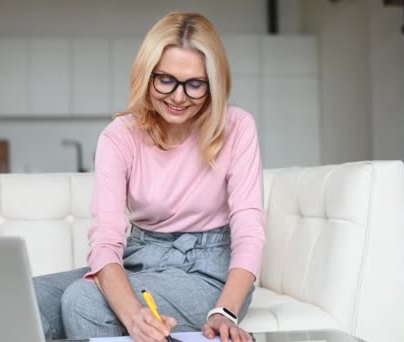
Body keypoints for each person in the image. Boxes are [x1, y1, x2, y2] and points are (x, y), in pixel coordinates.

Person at [34, 12, 265, 342]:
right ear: (147, 75)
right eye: (166, 79)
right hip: (141, 260)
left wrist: (224, 310)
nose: (179, 96)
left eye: (195, 84)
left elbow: (249, 227)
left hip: (210, 272)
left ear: (213, 84)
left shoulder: (238, 127)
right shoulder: (119, 136)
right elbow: (105, 242)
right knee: (30, 298)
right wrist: (133, 316)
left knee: (83, 302)